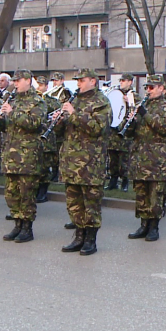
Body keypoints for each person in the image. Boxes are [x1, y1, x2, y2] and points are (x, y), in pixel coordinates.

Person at [58, 68, 111, 255]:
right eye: (77, 81)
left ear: (93, 81)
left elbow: (98, 128)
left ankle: (90, 239)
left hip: (90, 162)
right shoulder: (75, 100)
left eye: (82, 80)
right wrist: (58, 120)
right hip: (71, 162)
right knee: (74, 202)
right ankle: (78, 236)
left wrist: (73, 114)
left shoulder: (101, 102)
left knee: (91, 203)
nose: (78, 84)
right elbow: (65, 130)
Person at [126, 74, 166, 242]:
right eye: (146, 87)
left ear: (162, 88)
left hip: (157, 158)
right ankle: (143, 225)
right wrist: (131, 121)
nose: (148, 90)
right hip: (140, 156)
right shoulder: (142, 105)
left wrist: (145, 114)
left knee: (156, 194)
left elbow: (165, 128)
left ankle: (154, 226)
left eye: (152, 87)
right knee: (141, 193)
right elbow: (128, 133)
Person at [0, 70, 47, 243]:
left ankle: (27, 228)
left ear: (28, 80)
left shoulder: (37, 102)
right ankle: (17, 224)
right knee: (11, 193)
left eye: (18, 81)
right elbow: (9, 127)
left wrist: (12, 113)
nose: (15, 84)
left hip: (27, 156)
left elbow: (34, 124)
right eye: (14, 81)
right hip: (11, 155)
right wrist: (0, 120)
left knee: (26, 193)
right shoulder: (13, 99)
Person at [105, 73, 136, 191]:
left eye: (124, 80)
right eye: (121, 80)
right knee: (112, 159)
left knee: (124, 161)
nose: (121, 82)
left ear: (130, 82)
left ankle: (125, 182)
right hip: (113, 133)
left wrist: (129, 102)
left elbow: (135, 111)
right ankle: (113, 181)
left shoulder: (134, 95)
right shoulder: (116, 93)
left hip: (125, 134)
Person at [35, 75, 60, 203]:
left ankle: (43, 191)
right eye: (37, 85)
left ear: (46, 87)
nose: (38, 87)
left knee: (45, 167)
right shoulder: (33, 99)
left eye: (41, 85)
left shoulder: (52, 101)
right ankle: (36, 190)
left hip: (47, 139)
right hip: (35, 139)